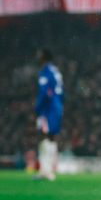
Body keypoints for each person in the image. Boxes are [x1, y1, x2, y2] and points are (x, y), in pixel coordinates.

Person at [34, 48, 64, 181]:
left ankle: (45, 171)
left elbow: (44, 91)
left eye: (39, 55)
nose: (37, 57)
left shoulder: (45, 71)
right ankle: (49, 170)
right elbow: (61, 92)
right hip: (57, 105)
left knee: (44, 135)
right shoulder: (55, 71)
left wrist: (38, 107)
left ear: (44, 57)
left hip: (48, 107)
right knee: (51, 137)